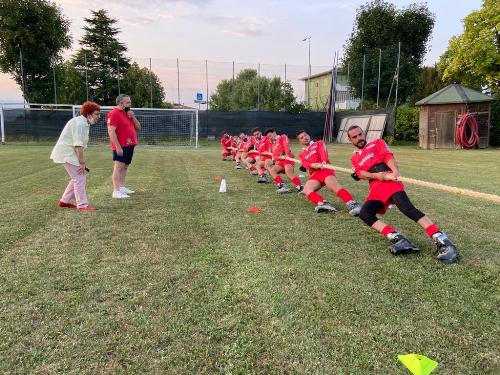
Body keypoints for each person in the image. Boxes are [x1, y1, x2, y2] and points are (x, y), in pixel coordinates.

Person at [347, 125, 458, 263]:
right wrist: (378, 176)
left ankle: (443, 241)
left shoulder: (377, 143)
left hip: (390, 181)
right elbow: (361, 174)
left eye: (360, 134)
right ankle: (398, 239)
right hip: (376, 187)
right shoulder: (354, 158)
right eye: (355, 137)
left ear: (364, 133)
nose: (359, 138)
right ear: (350, 140)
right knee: (365, 214)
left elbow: (388, 157)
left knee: (407, 208)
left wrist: (394, 172)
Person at [50, 101, 101, 211]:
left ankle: (64, 201)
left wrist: (81, 161)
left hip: (69, 153)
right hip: (66, 153)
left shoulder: (83, 123)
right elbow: (78, 145)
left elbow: (79, 146)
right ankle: (82, 205)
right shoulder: (80, 123)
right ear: (88, 114)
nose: (99, 116)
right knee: (79, 177)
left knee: (76, 177)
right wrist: (82, 163)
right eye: (96, 114)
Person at [296, 130, 361, 215]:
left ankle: (354, 205)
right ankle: (324, 204)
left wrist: (323, 161)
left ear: (308, 135)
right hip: (315, 174)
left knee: (334, 188)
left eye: (305, 135)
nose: (305, 138)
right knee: (306, 190)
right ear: (300, 141)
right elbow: (305, 164)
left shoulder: (319, 143)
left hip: (325, 170)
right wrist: (313, 165)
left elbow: (323, 152)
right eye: (302, 138)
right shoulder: (302, 154)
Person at [107, 94, 141, 199]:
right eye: (128, 102)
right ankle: (116, 191)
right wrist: (117, 147)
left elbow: (138, 128)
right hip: (121, 145)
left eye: (130, 102)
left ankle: (121, 187)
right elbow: (111, 131)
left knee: (125, 167)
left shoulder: (128, 113)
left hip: (130, 144)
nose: (130, 104)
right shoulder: (114, 113)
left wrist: (133, 116)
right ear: (121, 103)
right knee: (118, 167)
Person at [264, 128, 303, 194]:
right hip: (280, 161)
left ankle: (301, 187)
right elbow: (275, 156)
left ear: (274, 132)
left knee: (288, 172)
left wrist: (287, 154)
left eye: (270, 136)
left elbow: (286, 145)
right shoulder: (273, 144)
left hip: (287, 159)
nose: (270, 138)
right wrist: (278, 157)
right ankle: (282, 186)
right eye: (268, 137)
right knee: (272, 170)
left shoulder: (282, 137)